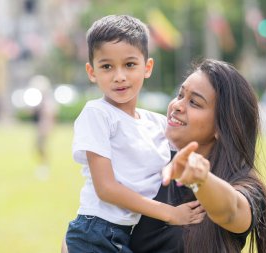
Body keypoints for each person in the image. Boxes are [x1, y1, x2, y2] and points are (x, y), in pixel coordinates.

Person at [65, 15, 204, 253]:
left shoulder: (157, 123)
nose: (119, 76)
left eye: (129, 65)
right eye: (107, 66)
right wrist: (170, 213)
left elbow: (186, 153)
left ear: (147, 67)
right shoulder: (97, 114)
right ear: (92, 71)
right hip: (96, 233)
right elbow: (106, 188)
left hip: (127, 235)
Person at [130, 59, 266, 253]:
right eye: (180, 94)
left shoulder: (246, 188)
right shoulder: (151, 165)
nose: (177, 106)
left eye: (194, 102)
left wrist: (200, 180)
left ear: (221, 127)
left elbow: (231, 211)